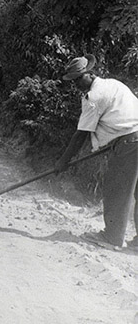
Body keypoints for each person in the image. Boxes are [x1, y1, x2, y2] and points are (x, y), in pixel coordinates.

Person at [56, 55, 138, 251]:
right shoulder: (113, 84)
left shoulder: (94, 97)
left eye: (78, 79)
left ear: (89, 74)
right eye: (73, 81)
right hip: (132, 138)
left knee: (116, 190)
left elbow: (80, 135)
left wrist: (63, 162)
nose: (76, 85)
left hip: (129, 143)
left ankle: (112, 237)